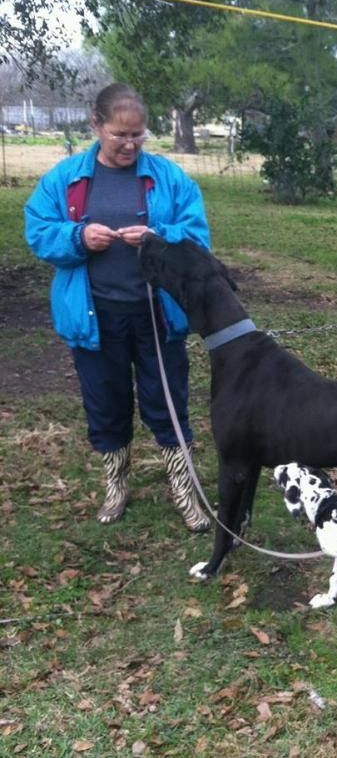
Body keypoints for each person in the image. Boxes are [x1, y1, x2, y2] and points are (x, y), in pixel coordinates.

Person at [24, 82, 211, 531]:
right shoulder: (65, 179)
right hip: (95, 317)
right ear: (96, 125)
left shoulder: (169, 178)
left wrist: (157, 237)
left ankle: (185, 491)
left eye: (137, 134)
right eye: (119, 134)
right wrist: (77, 237)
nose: (130, 144)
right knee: (106, 404)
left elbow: (197, 238)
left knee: (167, 403)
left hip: (157, 316)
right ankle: (116, 484)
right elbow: (38, 231)